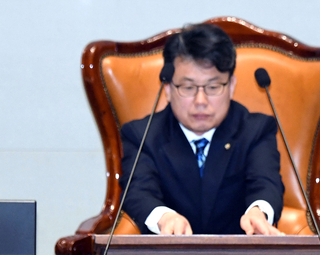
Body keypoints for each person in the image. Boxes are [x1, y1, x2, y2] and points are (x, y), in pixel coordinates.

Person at [120, 24, 285, 236]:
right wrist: (164, 218)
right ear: (168, 89)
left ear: (231, 86)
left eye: (213, 87)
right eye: (188, 87)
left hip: (239, 253)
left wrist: (258, 212)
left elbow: (266, 183)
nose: (200, 101)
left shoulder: (256, 130)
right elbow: (138, 191)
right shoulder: (142, 135)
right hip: (169, 254)